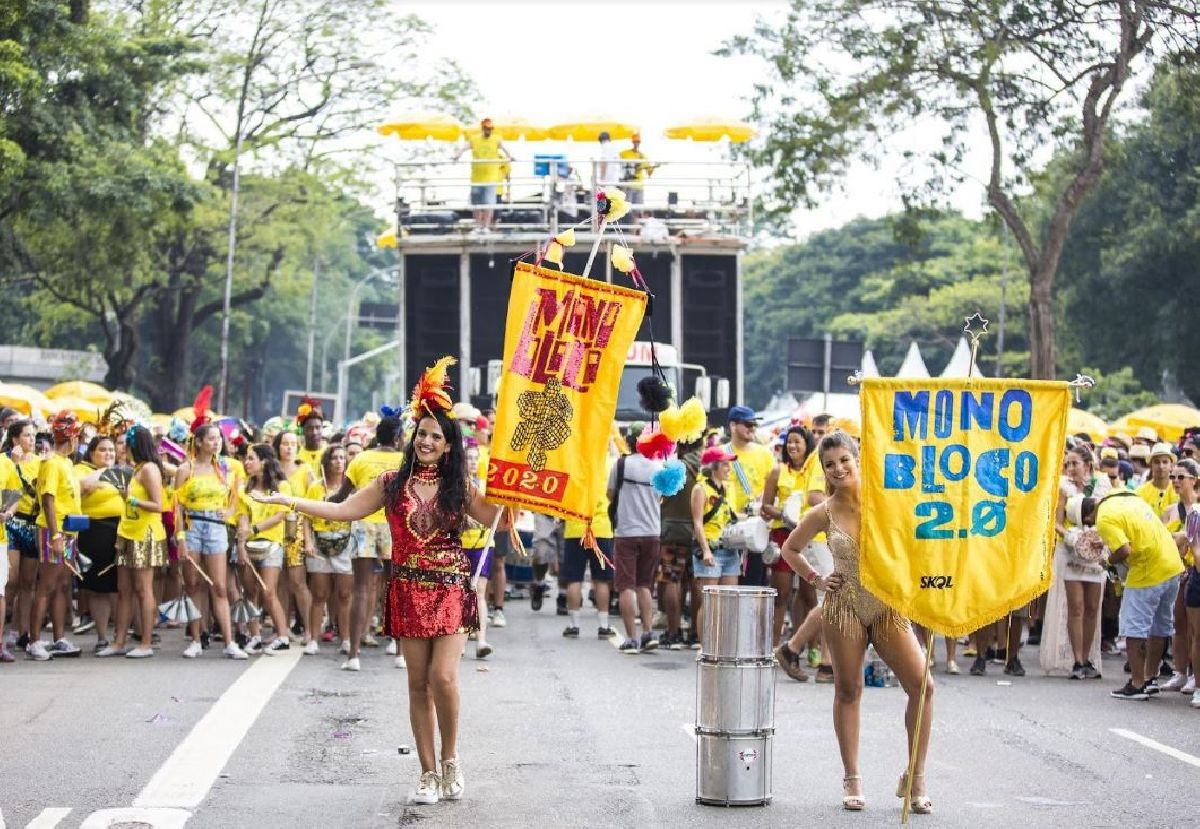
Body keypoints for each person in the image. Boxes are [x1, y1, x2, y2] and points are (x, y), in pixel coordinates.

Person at [254, 357, 505, 804]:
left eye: (435, 436)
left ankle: (451, 759)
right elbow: (343, 509)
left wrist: (515, 495)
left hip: (449, 588)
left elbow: (496, 521)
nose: (427, 441)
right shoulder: (391, 483)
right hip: (406, 587)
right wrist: (290, 501)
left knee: (444, 679)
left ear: (449, 446)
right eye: (422, 433)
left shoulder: (460, 487)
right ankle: (427, 772)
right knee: (417, 683)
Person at [779, 431, 933, 813]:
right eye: (830, 465)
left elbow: (921, 537)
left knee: (923, 687)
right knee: (849, 691)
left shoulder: (888, 501)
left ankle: (915, 777)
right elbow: (790, 548)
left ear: (858, 457)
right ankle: (852, 776)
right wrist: (816, 578)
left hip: (887, 606)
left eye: (844, 460)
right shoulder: (823, 512)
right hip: (842, 607)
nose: (838, 469)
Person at [1077, 489, 1185, 700]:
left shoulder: (1103, 518)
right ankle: (1150, 678)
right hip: (1172, 565)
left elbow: (1124, 550)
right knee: (1159, 628)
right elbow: (1135, 530)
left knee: (1133, 629)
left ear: (1089, 516)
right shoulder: (1129, 498)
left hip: (1147, 571)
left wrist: (1108, 561)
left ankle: (1137, 683)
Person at [336, 414, 404, 670]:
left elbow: (342, 495)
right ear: (398, 437)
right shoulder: (404, 461)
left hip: (363, 523)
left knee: (361, 589)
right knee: (395, 587)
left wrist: (324, 506)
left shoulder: (362, 458)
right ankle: (399, 653)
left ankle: (353, 655)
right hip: (393, 526)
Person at [174, 422, 244, 659]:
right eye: (211, 438)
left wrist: (230, 512)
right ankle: (195, 638)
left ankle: (229, 641)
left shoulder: (226, 468)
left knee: (220, 585)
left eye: (219, 438)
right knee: (192, 584)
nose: (216, 442)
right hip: (192, 526)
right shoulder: (186, 469)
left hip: (216, 528)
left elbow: (236, 497)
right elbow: (177, 507)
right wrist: (180, 537)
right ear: (200, 442)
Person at [1041, 446, 1109, 678]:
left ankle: (1089, 657)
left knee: (1092, 608)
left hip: (1095, 551)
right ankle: (1077, 660)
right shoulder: (1063, 488)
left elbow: (1109, 516)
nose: (1070, 469)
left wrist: (1099, 535)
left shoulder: (1102, 486)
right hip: (1070, 551)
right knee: (1076, 607)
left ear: (1088, 465)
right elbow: (1056, 521)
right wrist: (1071, 536)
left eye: (1075, 464)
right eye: (1067, 464)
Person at [103, 426, 170, 659]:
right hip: (127, 532)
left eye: (124, 444)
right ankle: (119, 641)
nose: (121, 448)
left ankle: (146, 642)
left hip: (145, 534)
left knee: (143, 589)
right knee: (124, 590)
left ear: (134, 445)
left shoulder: (150, 469)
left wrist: (131, 500)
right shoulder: (136, 469)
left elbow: (159, 505)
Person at [27, 410, 85, 660]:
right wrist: (55, 535)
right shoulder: (51, 463)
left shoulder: (67, 463)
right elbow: (48, 501)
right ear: (71, 438)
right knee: (47, 586)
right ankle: (34, 641)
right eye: (78, 437)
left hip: (69, 531)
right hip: (54, 531)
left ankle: (59, 638)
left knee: (62, 586)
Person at [760, 426, 814, 656]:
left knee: (809, 595)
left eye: (797, 442)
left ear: (807, 445)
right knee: (780, 593)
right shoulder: (777, 471)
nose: (792, 446)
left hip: (810, 536)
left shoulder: (816, 471)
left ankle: (810, 647)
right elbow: (765, 507)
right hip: (783, 535)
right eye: (789, 442)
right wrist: (784, 514)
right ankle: (773, 647)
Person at [610, 433, 663, 654]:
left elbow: (610, 494)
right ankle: (648, 633)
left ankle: (631, 638)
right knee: (645, 586)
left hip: (626, 532)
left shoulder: (621, 464)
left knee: (626, 586)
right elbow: (662, 498)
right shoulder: (659, 467)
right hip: (652, 532)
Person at [303, 444, 354, 659]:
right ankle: (313, 638)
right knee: (320, 594)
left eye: (343, 458)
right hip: (320, 540)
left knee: (344, 595)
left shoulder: (352, 487)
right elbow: (306, 515)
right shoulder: (316, 487)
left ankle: (346, 639)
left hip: (344, 542)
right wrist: (308, 541)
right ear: (327, 461)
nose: (339, 461)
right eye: (334, 457)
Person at [74, 435, 124, 652]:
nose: (108, 454)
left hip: (122, 529)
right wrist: (106, 471)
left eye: (111, 450)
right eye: (103, 450)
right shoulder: (82, 469)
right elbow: (82, 487)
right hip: (94, 531)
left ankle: (120, 637)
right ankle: (103, 637)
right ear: (92, 453)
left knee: (123, 586)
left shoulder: (123, 471)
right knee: (99, 587)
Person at [690, 445, 740, 649]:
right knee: (709, 602)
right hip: (711, 549)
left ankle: (724, 645)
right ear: (714, 466)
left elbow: (731, 517)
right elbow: (697, 523)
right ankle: (705, 645)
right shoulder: (700, 488)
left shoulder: (728, 489)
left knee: (729, 600)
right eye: (725, 464)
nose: (729, 468)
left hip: (729, 550)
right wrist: (706, 550)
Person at [657, 438, 702, 649]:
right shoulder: (707, 466)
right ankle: (695, 633)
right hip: (698, 531)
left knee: (672, 579)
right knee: (696, 583)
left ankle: (673, 633)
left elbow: (659, 496)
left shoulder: (672, 467)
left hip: (671, 530)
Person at [274, 430, 315, 652]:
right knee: (279, 581)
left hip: (297, 529)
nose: (288, 447)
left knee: (298, 581)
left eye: (292, 443)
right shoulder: (273, 469)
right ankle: (282, 628)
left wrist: (308, 538)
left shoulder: (305, 471)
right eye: (284, 443)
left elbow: (311, 506)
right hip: (274, 527)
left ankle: (310, 629)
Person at [1160, 458, 1198, 692]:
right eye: (1173, 477)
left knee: (1196, 627)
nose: (1175, 481)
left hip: (1195, 569)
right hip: (1176, 569)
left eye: (1180, 477)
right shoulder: (1169, 510)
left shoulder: (1198, 509)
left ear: (1194, 480)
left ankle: (1195, 673)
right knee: (1179, 623)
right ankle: (1180, 671)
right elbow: (1164, 540)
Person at [7, 419, 41, 650]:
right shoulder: (6, 462)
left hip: (32, 523)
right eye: (27, 435)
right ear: (15, 440)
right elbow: (9, 494)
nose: (32, 440)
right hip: (12, 523)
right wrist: (15, 464)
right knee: (11, 580)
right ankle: (5, 628)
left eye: (33, 436)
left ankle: (24, 631)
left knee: (29, 582)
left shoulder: (40, 462)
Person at [460, 443, 494, 659]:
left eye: (475, 457)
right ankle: (459, 642)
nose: (473, 461)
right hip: (460, 544)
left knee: (479, 592)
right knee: (462, 593)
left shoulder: (486, 486)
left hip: (483, 543)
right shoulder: (456, 485)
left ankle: (481, 640)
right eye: (469, 457)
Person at [454, 118, 510, 232]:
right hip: (477, 177)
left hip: (490, 177)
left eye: (490, 128)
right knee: (477, 203)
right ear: (482, 128)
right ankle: (477, 226)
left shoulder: (496, 139)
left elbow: (505, 149)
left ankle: (486, 226)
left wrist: (511, 157)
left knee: (489, 203)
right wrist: (457, 155)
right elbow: (464, 148)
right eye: (486, 128)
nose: (488, 130)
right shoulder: (474, 139)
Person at [0, 439, 20, 661]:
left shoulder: (5, 465)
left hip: (0, 537)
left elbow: (15, 495)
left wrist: (8, 513)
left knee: (0, 592)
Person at [619, 133, 657, 205]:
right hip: (628, 185)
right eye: (635, 141)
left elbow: (649, 172)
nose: (636, 143)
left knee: (638, 209)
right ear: (632, 142)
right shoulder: (624, 153)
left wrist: (653, 167)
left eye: (638, 142)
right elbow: (617, 165)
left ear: (640, 143)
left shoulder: (643, 156)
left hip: (639, 186)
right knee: (627, 208)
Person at [296, 399, 327, 471]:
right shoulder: (296, 456)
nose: (314, 432)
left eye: (318, 428)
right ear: (303, 430)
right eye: (310, 428)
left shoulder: (329, 454)